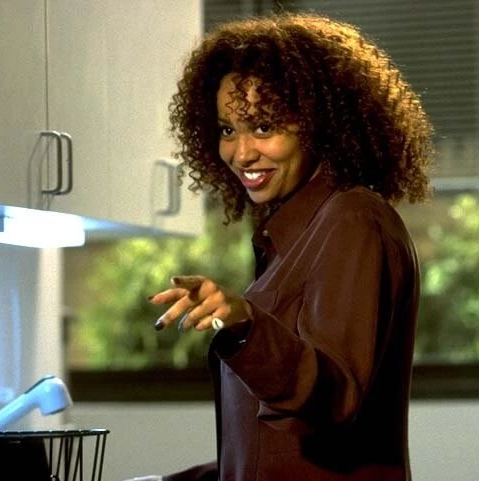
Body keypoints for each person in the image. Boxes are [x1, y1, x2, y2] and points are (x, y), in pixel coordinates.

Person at [126, 11, 434, 481]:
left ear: (319, 123)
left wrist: (244, 324)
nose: (242, 153)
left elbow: (334, 399)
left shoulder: (351, 220)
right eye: (227, 130)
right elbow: (272, 447)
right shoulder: (295, 236)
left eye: (264, 127)